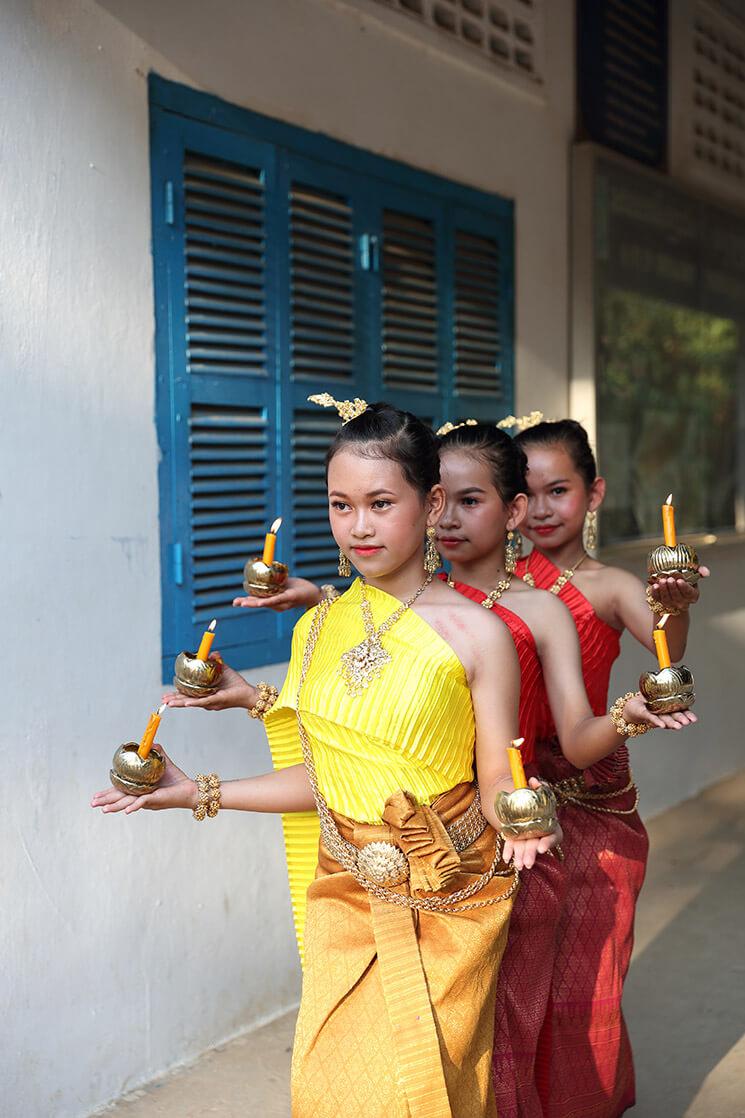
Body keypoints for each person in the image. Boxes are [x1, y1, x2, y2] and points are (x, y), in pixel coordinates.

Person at [93, 399, 561, 1118]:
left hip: (449, 897)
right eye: (341, 506)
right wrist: (196, 793)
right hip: (342, 900)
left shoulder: (477, 633)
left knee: (422, 1093)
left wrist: (523, 820)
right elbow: (325, 778)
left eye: (380, 502)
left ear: (430, 502)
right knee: (328, 1093)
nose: (360, 526)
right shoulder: (315, 627)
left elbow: (497, 771)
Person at [512, 417, 708, 1118]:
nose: (539, 509)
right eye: (523, 492)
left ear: (591, 493)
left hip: (592, 802)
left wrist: (673, 607)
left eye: (556, 491)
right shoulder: (488, 581)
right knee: (511, 984)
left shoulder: (610, 584)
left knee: (585, 978)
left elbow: (664, 645)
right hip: (508, 799)